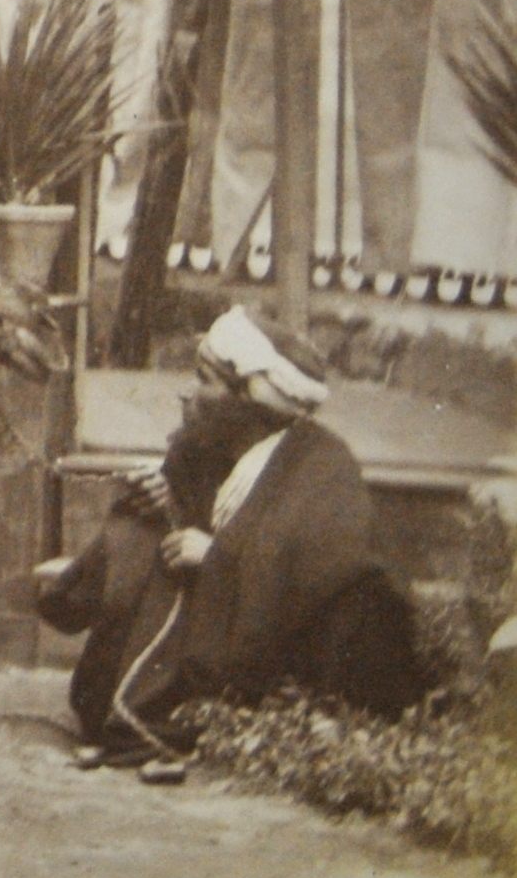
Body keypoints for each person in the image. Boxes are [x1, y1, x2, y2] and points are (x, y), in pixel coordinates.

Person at [37, 305, 430, 781]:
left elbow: (307, 576)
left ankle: (186, 713)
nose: (189, 391)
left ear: (248, 401)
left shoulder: (322, 465)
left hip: (304, 645)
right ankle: (102, 662)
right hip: (226, 617)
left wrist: (216, 558)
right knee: (137, 532)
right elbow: (205, 510)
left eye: (205, 380)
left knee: (358, 611)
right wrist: (168, 497)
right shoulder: (206, 446)